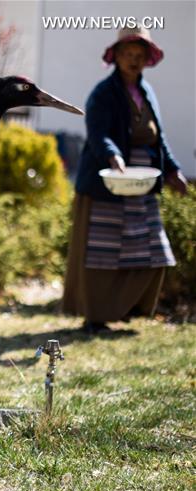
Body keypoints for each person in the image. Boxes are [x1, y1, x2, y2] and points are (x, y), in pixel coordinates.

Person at [63, 26, 188, 334]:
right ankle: (95, 316)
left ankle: (128, 308)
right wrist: (113, 156)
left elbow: (160, 139)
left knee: (152, 251)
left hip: (142, 185)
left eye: (139, 55)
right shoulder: (103, 93)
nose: (133, 60)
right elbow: (98, 132)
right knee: (102, 252)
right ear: (116, 57)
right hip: (108, 182)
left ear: (147, 60)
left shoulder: (147, 93)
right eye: (128, 54)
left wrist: (172, 170)